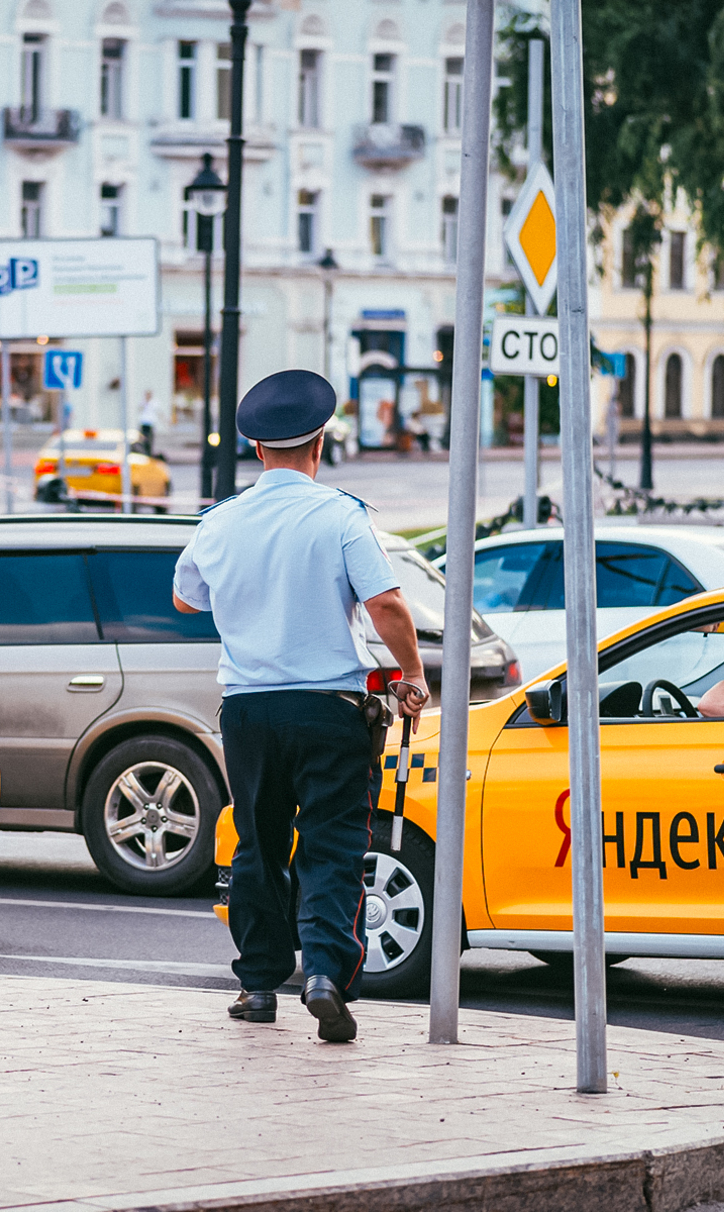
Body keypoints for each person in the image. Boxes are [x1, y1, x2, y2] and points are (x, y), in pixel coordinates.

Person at [172, 369, 428, 1043]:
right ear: (319, 444)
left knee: (258, 844)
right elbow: (388, 604)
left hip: (249, 711)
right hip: (329, 709)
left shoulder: (221, 520)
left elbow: (184, 598)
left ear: (256, 450)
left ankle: (258, 987)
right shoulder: (340, 514)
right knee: (333, 844)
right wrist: (410, 673)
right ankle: (323, 973)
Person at [139, 390, 160, 455]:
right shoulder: (143, 402)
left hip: (150, 423)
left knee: (150, 440)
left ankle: (149, 453)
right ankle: (144, 453)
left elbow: (158, 412)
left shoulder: (154, 403)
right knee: (143, 440)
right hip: (144, 423)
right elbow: (139, 410)